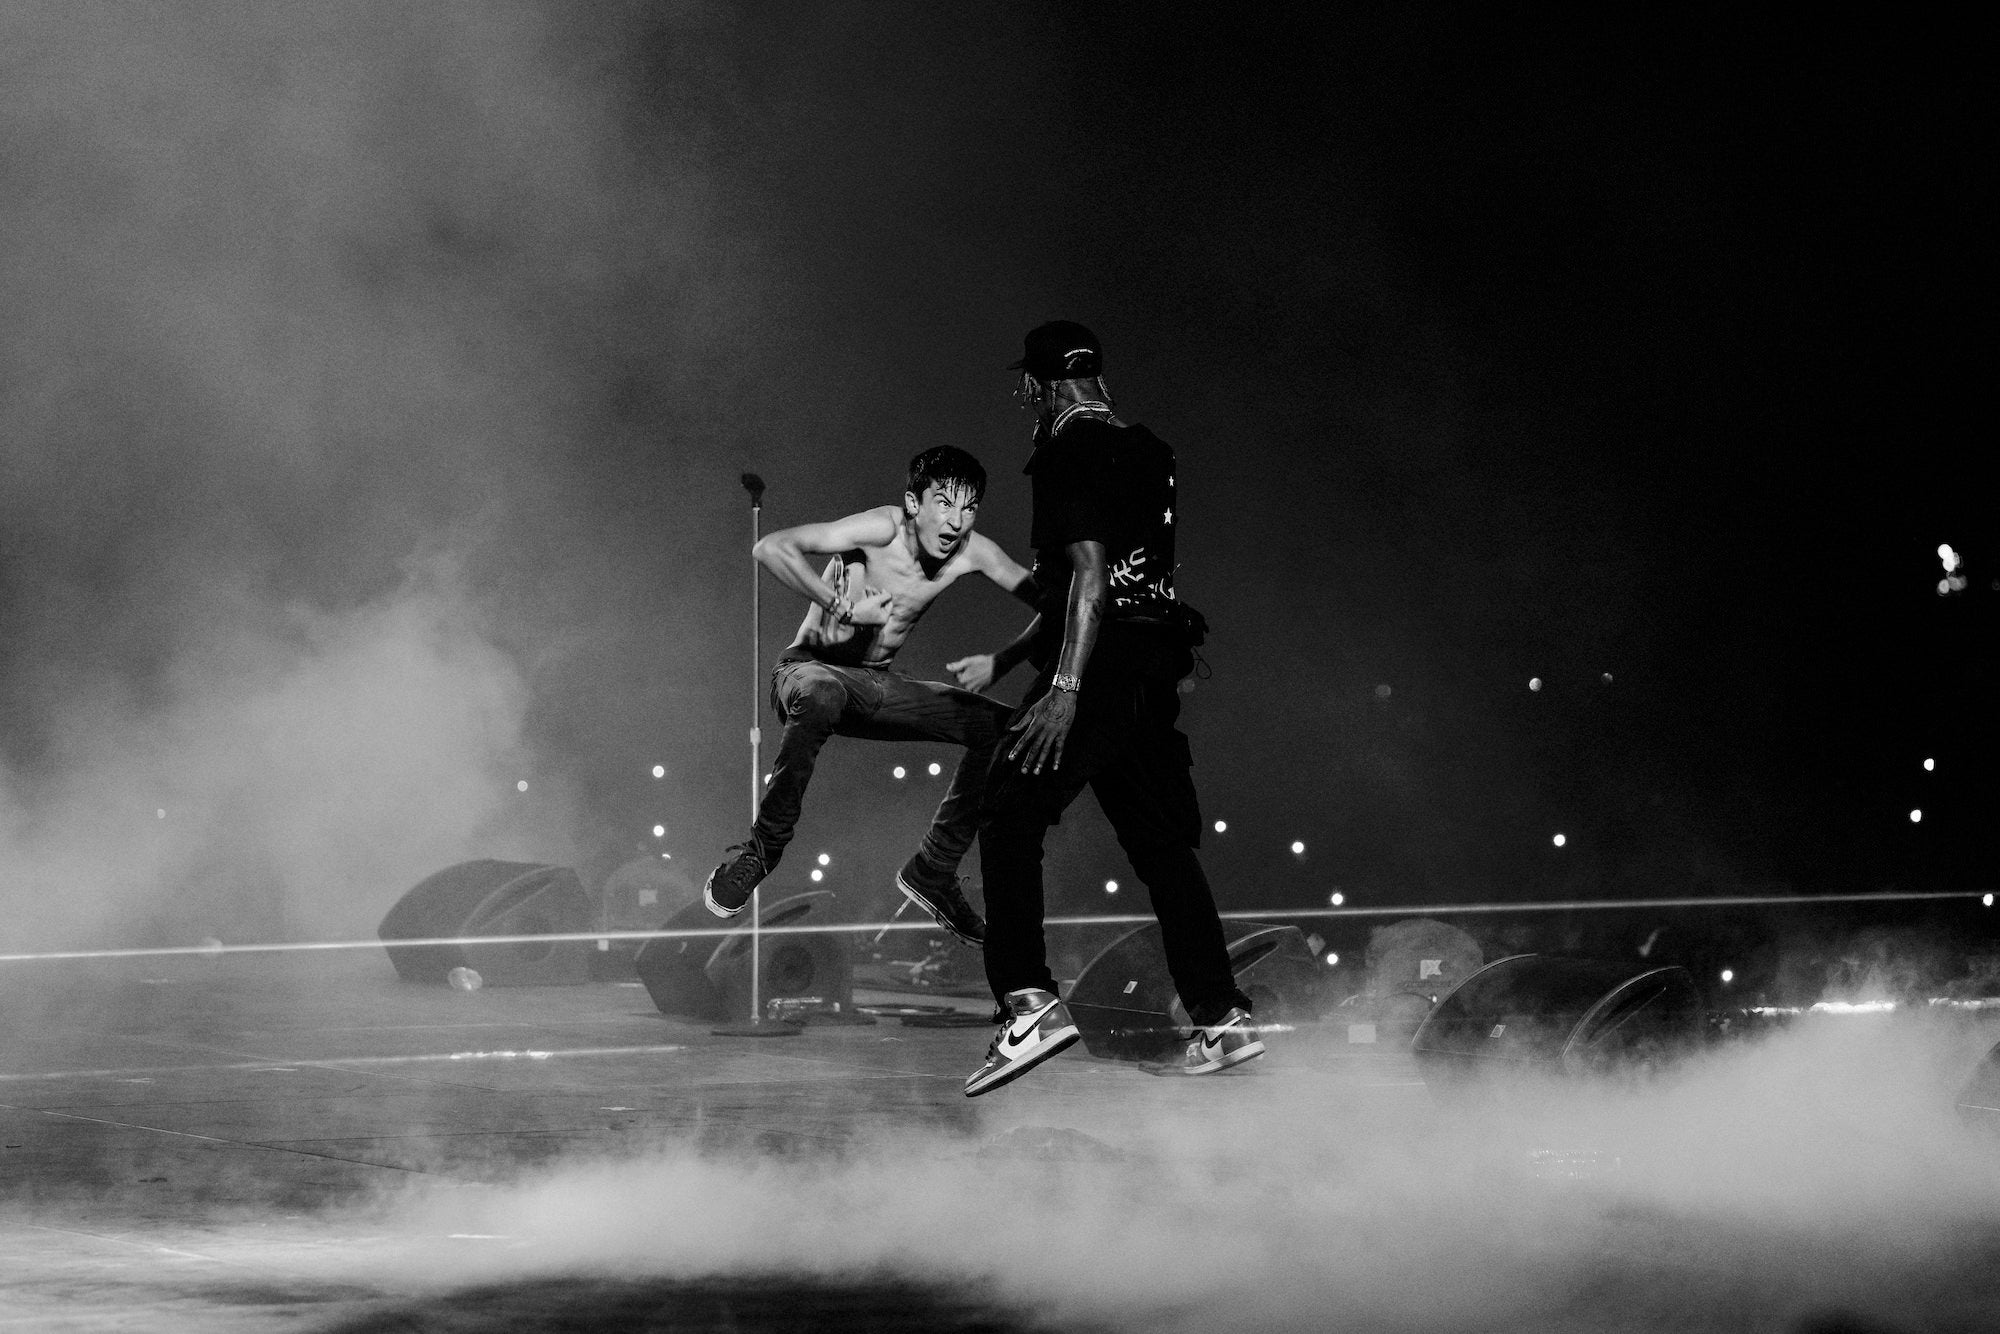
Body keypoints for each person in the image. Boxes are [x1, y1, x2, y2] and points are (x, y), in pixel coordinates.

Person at [964, 321, 1262, 1097]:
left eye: (1027, 383)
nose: (1023, 396)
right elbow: (1107, 584)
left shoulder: (1064, 451)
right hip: (1150, 666)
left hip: (1099, 666)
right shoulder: (1148, 451)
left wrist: (1063, 688)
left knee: (1008, 812)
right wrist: (1005, 659)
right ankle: (1221, 1017)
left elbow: (1091, 576)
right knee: (1162, 847)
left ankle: (1028, 1003)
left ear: (1046, 384)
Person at [702, 446, 1042, 946]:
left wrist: (1002, 661)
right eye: (944, 503)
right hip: (808, 671)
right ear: (912, 502)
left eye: (969, 508)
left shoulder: (975, 552)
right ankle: (760, 853)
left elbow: (1059, 606)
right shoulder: (880, 529)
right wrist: (839, 605)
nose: (956, 521)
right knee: (820, 691)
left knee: (1004, 729)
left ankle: (935, 869)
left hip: (877, 685)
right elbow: (770, 548)